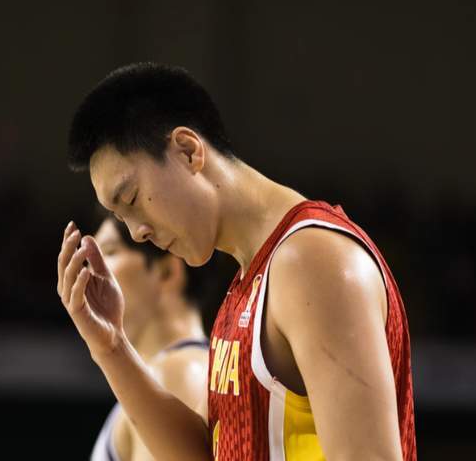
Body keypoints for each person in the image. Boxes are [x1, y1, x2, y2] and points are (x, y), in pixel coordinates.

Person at [57, 62, 416, 460]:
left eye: (131, 199)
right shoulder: (249, 282)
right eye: (121, 217)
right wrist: (112, 348)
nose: (137, 232)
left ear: (188, 151)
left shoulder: (311, 260)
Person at [90, 216, 209, 461]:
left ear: (167, 272)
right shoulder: (165, 372)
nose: (89, 270)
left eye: (109, 252)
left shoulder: (176, 372)